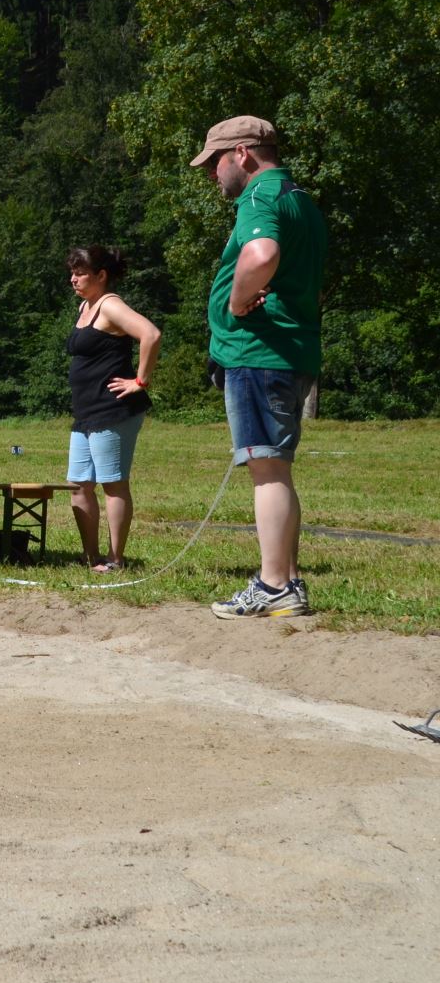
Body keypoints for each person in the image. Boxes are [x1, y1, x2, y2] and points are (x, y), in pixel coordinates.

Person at [192, 116, 327, 618]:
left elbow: (262, 252)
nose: (212, 175)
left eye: (215, 163)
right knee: (278, 470)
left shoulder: (259, 198)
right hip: (292, 353)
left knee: (265, 470)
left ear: (243, 153)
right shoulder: (301, 200)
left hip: (258, 354)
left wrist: (235, 300)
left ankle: (273, 586)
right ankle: (288, 579)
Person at [65, 246, 161, 572]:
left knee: (113, 484)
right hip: (86, 412)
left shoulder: (111, 305)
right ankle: (91, 557)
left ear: (101, 276)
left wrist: (140, 381)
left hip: (113, 410)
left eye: (81, 273)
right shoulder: (86, 305)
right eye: (72, 273)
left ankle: (116, 559)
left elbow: (150, 334)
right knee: (79, 485)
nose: (74, 279)